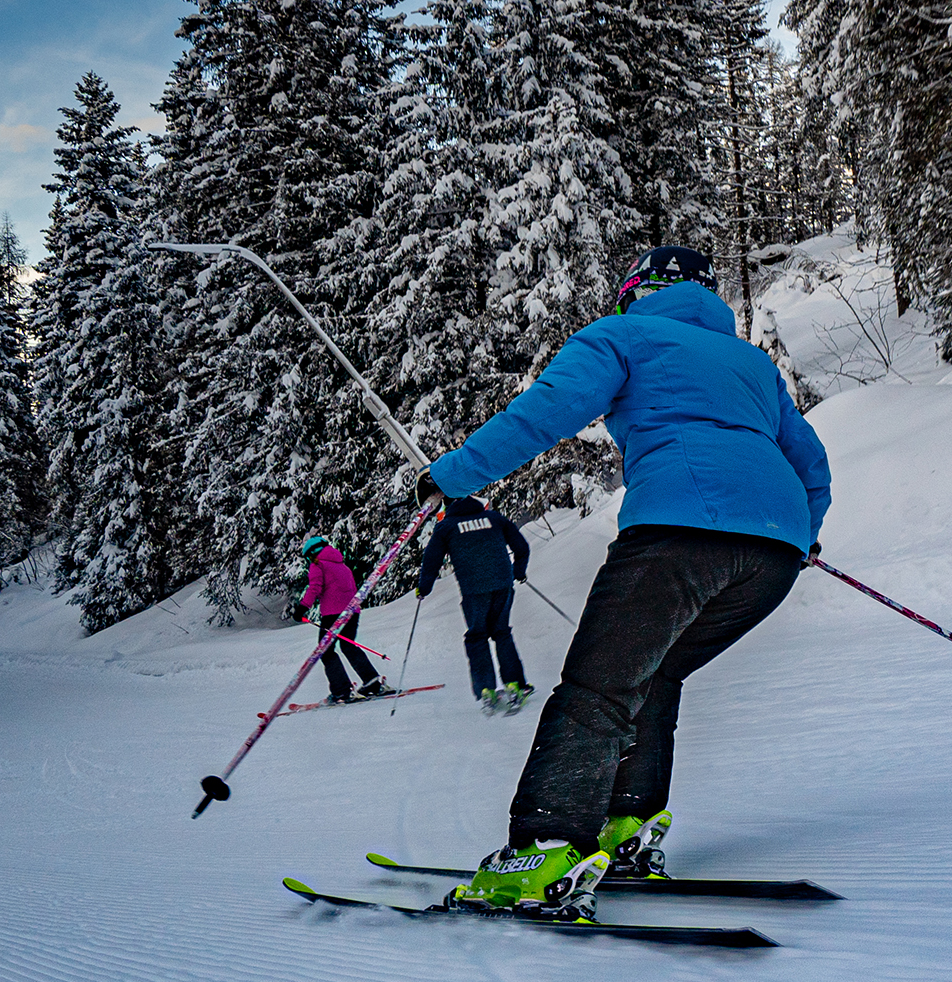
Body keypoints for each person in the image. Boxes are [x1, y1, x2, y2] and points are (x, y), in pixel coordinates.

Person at [417, 246, 831, 920]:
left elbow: (545, 412)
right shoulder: (751, 364)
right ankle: (625, 825)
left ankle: (546, 848)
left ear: (639, 290)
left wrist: (452, 479)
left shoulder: (624, 334)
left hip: (676, 534)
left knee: (599, 687)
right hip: (772, 554)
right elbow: (811, 462)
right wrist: (801, 533)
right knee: (654, 673)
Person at [417, 495, 532, 714]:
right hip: (502, 584)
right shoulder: (494, 518)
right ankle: (515, 684)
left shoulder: (446, 527)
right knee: (501, 632)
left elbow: (432, 560)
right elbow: (521, 546)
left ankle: (487, 689)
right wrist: (519, 571)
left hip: (473, 590)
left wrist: (424, 588)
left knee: (477, 636)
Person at [297, 535, 395, 704]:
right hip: (352, 612)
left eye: (308, 556)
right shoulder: (342, 565)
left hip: (333, 615)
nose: (309, 560)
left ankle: (341, 691)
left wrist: (302, 607)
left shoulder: (318, 564)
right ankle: (373, 683)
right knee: (348, 646)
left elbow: (314, 587)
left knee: (325, 651)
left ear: (313, 552)